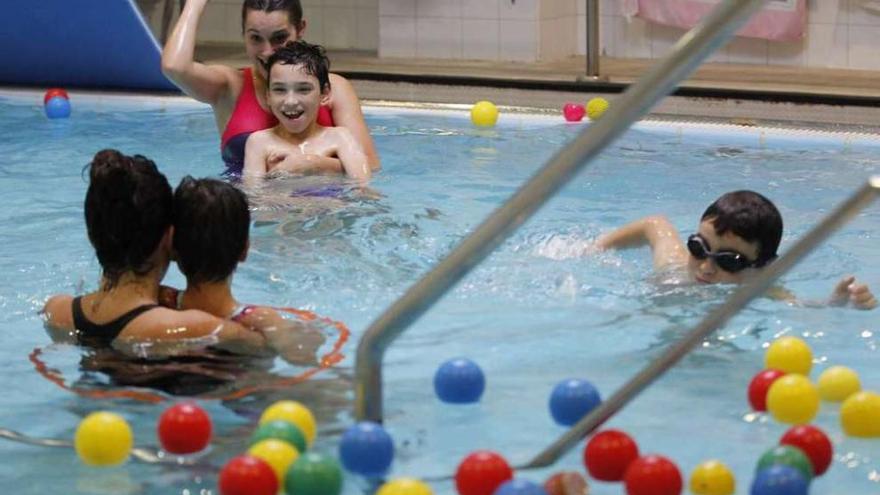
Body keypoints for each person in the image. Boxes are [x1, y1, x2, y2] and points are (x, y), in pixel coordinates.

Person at [41, 149, 273, 356]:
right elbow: (267, 348)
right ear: (170, 239)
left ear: (92, 236)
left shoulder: (57, 310)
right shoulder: (201, 328)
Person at [161, 0, 379, 175]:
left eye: (279, 38)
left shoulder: (334, 88)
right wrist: (195, 3)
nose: (268, 51)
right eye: (256, 38)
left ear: (300, 29)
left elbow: (370, 167)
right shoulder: (229, 87)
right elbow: (174, 66)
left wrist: (315, 165)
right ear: (244, 34)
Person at [595, 190, 877, 310]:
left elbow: (802, 308)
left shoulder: (759, 289)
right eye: (699, 247)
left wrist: (838, 304)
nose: (706, 266)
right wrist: (591, 249)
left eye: (729, 261)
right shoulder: (674, 265)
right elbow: (653, 224)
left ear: (761, 267)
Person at [164, 176, 326, 364]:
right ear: (245, 250)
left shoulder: (161, 301)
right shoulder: (261, 320)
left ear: (172, 250)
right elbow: (302, 357)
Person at [242, 41, 370, 181]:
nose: (290, 101)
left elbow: (363, 186)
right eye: (279, 90)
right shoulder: (259, 142)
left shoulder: (340, 137)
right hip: (279, 202)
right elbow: (253, 195)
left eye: (303, 89)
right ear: (268, 96)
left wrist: (311, 163)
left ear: (325, 94)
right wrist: (280, 172)